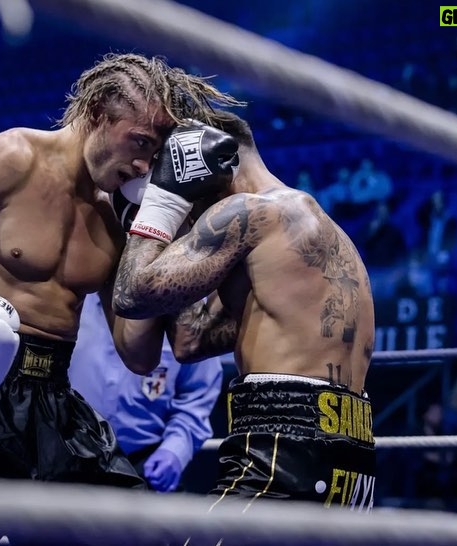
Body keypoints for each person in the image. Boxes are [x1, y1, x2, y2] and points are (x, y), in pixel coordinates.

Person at [0, 53, 242, 545]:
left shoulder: (119, 214)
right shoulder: (8, 159)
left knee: (139, 533)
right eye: (139, 142)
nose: (144, 163)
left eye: (155, 151)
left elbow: (138, 355)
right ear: (97, 112)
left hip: (53, 403)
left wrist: (164, 238)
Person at [112, 111, 376, 513]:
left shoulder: (252, 213)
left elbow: (133, 293)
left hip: (283, 449)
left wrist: (164, 201)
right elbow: (190, 341)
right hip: (350, 464)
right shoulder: (313, 234)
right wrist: (181, 232)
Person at [70, 292, 223, 492]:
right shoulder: (71, 302)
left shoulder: (188, 315)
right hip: (72, 461)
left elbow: (197, 396)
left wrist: (174, 450)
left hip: (146, 464)